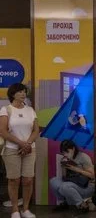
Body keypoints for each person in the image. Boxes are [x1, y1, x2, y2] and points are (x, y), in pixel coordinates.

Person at [0, 83, 39, 218]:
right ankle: (15, 210)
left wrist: (27, 144)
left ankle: (26, 209)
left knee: (28, 180)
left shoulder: (30, 110)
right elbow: (3, 132)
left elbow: (35, 130)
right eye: (20, 92)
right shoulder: (6, 109)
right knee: (14, 180)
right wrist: (21, 144)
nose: (23, 94)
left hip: (29, 150)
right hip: (12, 150)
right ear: (12, 94)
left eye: (24, 91)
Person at [49, 140, 94, 213]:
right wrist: (64, 166)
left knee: (65, 186)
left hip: (86, 186)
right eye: (63, 153)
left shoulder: (83, 157)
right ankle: (65, 202)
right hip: (72, 183)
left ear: (73, 149)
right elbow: (64, 177)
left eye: (67, 152)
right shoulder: (65, 158)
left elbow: (92, 175)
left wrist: (76, 169)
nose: (65, 154)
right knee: (53, 181)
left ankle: (82, 206)